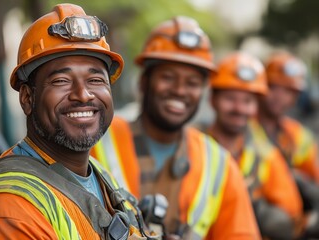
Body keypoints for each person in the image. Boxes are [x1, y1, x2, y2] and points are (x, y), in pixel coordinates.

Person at [0, 4, 158, 239]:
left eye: (95, 79)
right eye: (61, 80)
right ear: (27, 98)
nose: (83, 94)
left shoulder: (98, 175)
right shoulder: (6, 212)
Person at [91, 16, 260, 240]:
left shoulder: (219, 164)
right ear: (144, 82)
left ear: (202, 92)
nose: (180, 90)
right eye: (168, 77)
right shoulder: (96, 138)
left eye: (192, 83)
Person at [206, 51, 304, 239]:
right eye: (230, 99)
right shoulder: (192, 147)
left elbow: (292, 216)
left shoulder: (267, 156)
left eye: (247, 101)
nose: (239, 108)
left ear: (256, 106)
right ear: (213, 100)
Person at [255, 51, 319, 238]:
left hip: (291, 221)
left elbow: (313, 177)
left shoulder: (297, 135)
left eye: (288, 91)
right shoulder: (239, 128)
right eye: (274, 87)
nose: (279, 97)